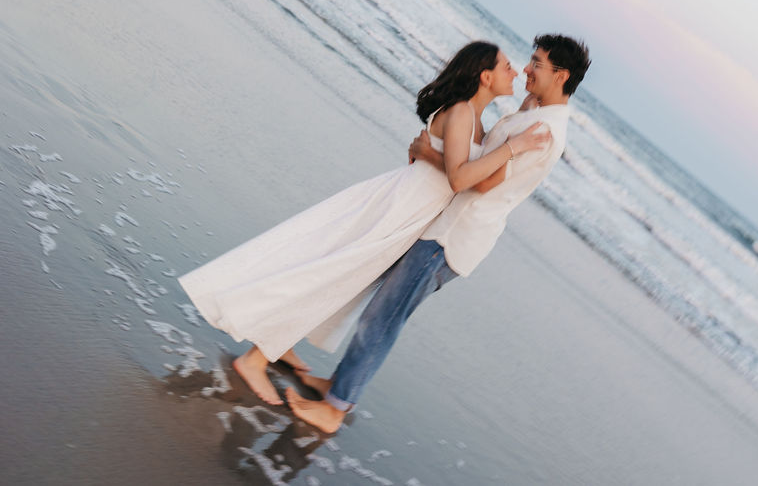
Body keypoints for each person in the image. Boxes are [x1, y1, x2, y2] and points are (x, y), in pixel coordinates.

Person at [179, 41, 551, 405]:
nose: (516, 71)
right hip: (399, 210)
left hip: (410, 215)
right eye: (506, 66)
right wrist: (514, 147)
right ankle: (254, 360)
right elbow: (459, 178)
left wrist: (519, 117)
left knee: (342, 277)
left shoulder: (475, 119)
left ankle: (278, 341)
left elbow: (474, 172)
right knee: (334, 274)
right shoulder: (460, 112)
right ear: (485, 76)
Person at [285, 34, 591, 432]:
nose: (526, 68)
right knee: (383, 308)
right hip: (447, 228)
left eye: (537, 63)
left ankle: (335, 408)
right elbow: (487, 160)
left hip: (452, 238)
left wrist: (433, 154)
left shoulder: (543, 132)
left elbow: (481, 182)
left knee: (383, 318)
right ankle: (337, 386)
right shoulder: (535, 115)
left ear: (561, 74)